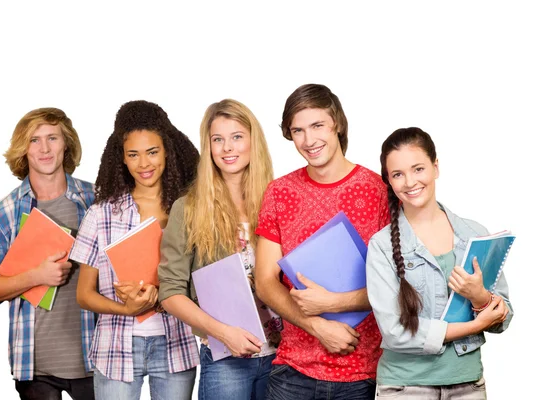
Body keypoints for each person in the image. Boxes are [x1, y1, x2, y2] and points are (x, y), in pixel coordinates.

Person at [254, 83, 389, 400]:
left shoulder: (380, 191)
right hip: (292, 374)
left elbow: (400, 286)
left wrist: (334, 303)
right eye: (298, 130)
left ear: (337, 124)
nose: (309, 140)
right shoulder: (279, 192)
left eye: (317, 126)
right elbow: (264, 281)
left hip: (364, 374)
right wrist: (318, 326)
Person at [365, 127, 513, 399]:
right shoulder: (381, 246)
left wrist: (479, 297)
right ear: (389, 180)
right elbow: (395, 332)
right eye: (398, 174)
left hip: (468, 384)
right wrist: (474, 326)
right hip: (404, 388)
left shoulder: (474, 234)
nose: (410, 182)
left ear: (435, 167)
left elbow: (503, 319)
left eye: (418, 169)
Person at [68, 100, 200, 400]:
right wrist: (125, 308)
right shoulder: (100, 214)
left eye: (152, 152)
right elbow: (84, 294)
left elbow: (202, 281)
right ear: (122, 159)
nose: (144, 164)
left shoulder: (190, 211)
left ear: (167, 151)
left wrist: (162, 294)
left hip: (175, 346)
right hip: (115, 348)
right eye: (134, 155)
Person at [158, 99, 281, 400]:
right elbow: (171, 293)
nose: (227, 147)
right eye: (218, 139)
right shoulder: (188, 210)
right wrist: (223, 333)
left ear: (254, 141)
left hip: (285, 357)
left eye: (237, 136)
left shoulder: (280, 200)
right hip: (226, 358)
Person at [0, 108, 96, 399]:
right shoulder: (3, 214)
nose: (44, 148)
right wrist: (35, 276)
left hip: (95, 357)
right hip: (34, 365)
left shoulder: (95, 200)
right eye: (34, 140)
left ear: (66, 144)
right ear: (23, 150)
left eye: (52, 138)